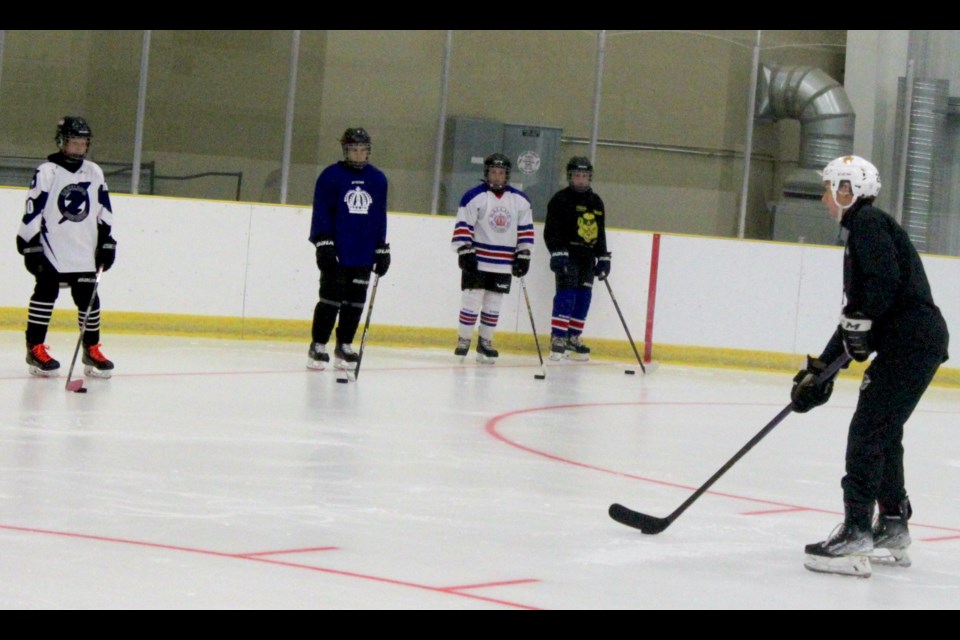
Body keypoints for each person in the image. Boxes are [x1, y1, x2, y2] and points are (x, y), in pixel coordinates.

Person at [790, 155, 949, 578]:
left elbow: (882, 287)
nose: (825, 198)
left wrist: (852, 335)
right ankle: (892, 524)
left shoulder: (868, 224)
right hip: (913, 342)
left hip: (911, 342)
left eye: (829, 188)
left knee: (868, 430)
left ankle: (857, 530)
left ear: (849, 190)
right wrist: (821, 370)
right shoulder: (864, 230)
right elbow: (859, 314)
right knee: (884, 430)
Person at [16, 116, 117, 378]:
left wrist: (106, 240)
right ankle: (35, 348)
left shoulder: (94, 172)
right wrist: (30, 243)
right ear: (62, 142)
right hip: (52, 248)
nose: (79, 148)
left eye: (83, 144)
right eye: (74, 143)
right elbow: (33, 208)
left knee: (89, 300)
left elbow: (104, 209)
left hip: (84, 249)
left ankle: (91, 348)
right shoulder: (47, 171)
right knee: (45, 294)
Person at [307, 127, 390, 371]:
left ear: (368, 151)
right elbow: (321, 211)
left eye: (362, 150)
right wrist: (322, 242)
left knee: (355, 302)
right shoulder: (330, 176)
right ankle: (318, 345)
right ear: (345, 150)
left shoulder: (377, 179)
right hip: (337, 251)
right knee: (330, 299)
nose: (357, 154)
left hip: (363, 252)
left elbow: (379, 216)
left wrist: (381, 247)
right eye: (353, 150)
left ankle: (344, 345)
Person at [450, 153, 535, 364]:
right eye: (493, 172)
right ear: (486, 173)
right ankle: (464, 339)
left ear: (507, 175)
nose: (497, 177)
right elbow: (463, 226)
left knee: (493, 304)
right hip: (478, 259)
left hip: (503, 262)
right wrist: (464, 249)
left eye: (501, 173)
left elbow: (525, 230)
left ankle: (485, 342)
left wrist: (524, 254)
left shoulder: (520, 200)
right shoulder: (473, 196)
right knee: (471, 300)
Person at [543, 156, 611, 361]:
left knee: (583, 297)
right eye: (577, 176)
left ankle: (573, 336)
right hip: (568, 256)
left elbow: (599, 232)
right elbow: (551, 230)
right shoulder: (560, 199)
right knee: (566, 295)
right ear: (570, 177)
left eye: (585, 176)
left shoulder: (596, 201)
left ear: (590, 178)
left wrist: (603, 257)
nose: (581, 180)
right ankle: (558, 337)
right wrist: (557, 251)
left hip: (587, 258)